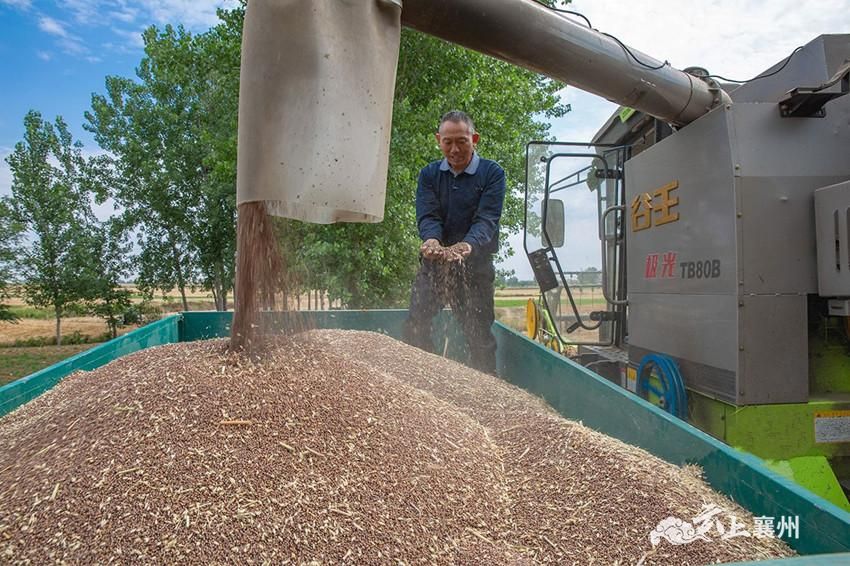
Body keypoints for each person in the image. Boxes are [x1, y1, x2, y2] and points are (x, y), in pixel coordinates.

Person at [402, 110, 507, 374]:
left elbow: (487, 219)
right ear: (438, 140)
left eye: (461, 141)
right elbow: (428, 215)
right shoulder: (429, 175)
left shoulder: (492, 173)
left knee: (479, 336)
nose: (454, 149)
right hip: (434, 266)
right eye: (447, 142)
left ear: (475, 139)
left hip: (476, 268)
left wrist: (466, 246)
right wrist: (432, 240)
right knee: (416, 324)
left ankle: (485, 393)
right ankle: (426, 379)